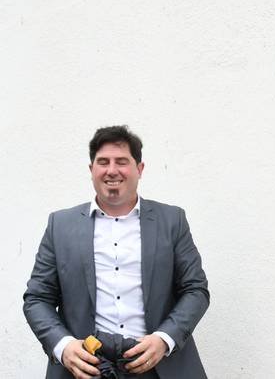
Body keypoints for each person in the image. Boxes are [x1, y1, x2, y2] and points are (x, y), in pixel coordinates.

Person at [24, 126, 210, 379]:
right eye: (103, 162)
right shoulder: (60, 225)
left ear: (139, 169)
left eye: (121, 162)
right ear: (91, 170)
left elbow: (195, 289)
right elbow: (37, 298)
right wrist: (63, 346)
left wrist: (164, 339)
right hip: (85, 369)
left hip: (160, 367)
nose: (112, 170)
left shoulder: (172, 221)